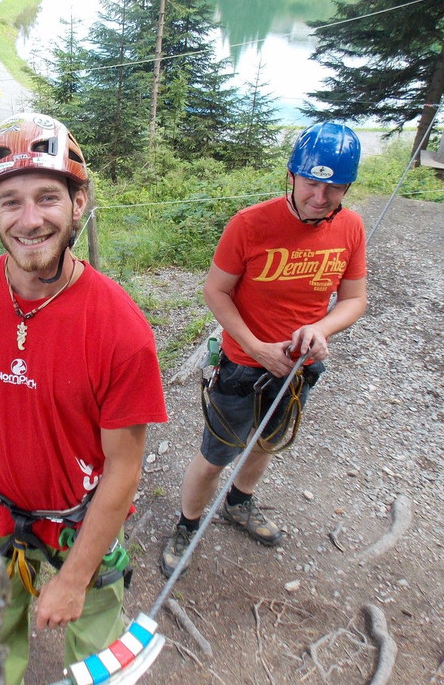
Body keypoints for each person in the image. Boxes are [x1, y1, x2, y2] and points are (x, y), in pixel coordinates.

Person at [0, 112, 168, 685]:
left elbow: (124, 467)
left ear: (78, 203)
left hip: (80, 525)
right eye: (10, 201)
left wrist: (74, 577)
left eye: (47, 197)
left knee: (97, 663)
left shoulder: (119, 329)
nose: (30, 219)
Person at [161, 122, 368, 577]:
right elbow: (215, 292)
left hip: (299, 368)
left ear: (347, 186)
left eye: (334, 187)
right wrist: (255, 346)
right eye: (312, 181)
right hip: (241, 365)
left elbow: (354, 299)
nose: (320, 195)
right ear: (292, 175)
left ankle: (239, 503)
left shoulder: (350, 228)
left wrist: (321, 328)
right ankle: (187, 524)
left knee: (268, 441)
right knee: (216, 454)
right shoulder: (250, 225)